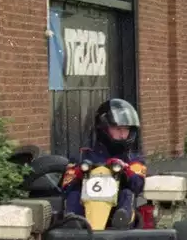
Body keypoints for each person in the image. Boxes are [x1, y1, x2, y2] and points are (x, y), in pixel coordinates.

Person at [60, 98, 149, 228]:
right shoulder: (84, 154)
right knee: (74, 195)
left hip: (116, 211)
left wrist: (125, 170)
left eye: (126, 129)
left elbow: (137, 185)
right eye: (118, 129)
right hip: (87, 211)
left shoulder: (134, 159)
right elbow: (66, 187)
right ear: (104, 129)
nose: (123, 135)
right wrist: (79, 172)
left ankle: (122, 221)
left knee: (127, 194)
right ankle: (73, 223)